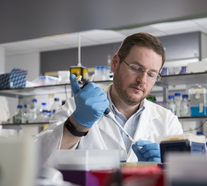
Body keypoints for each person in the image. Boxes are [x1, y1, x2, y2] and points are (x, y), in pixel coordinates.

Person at [36, 32, 183, 166]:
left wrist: (164, 170)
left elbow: (184, 177)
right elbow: (36, 161)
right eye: (136, 68)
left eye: (151, 74)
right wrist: (77, 125)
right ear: (115, 63)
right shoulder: (76, 108)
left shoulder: (168, 122)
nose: (142, 80)